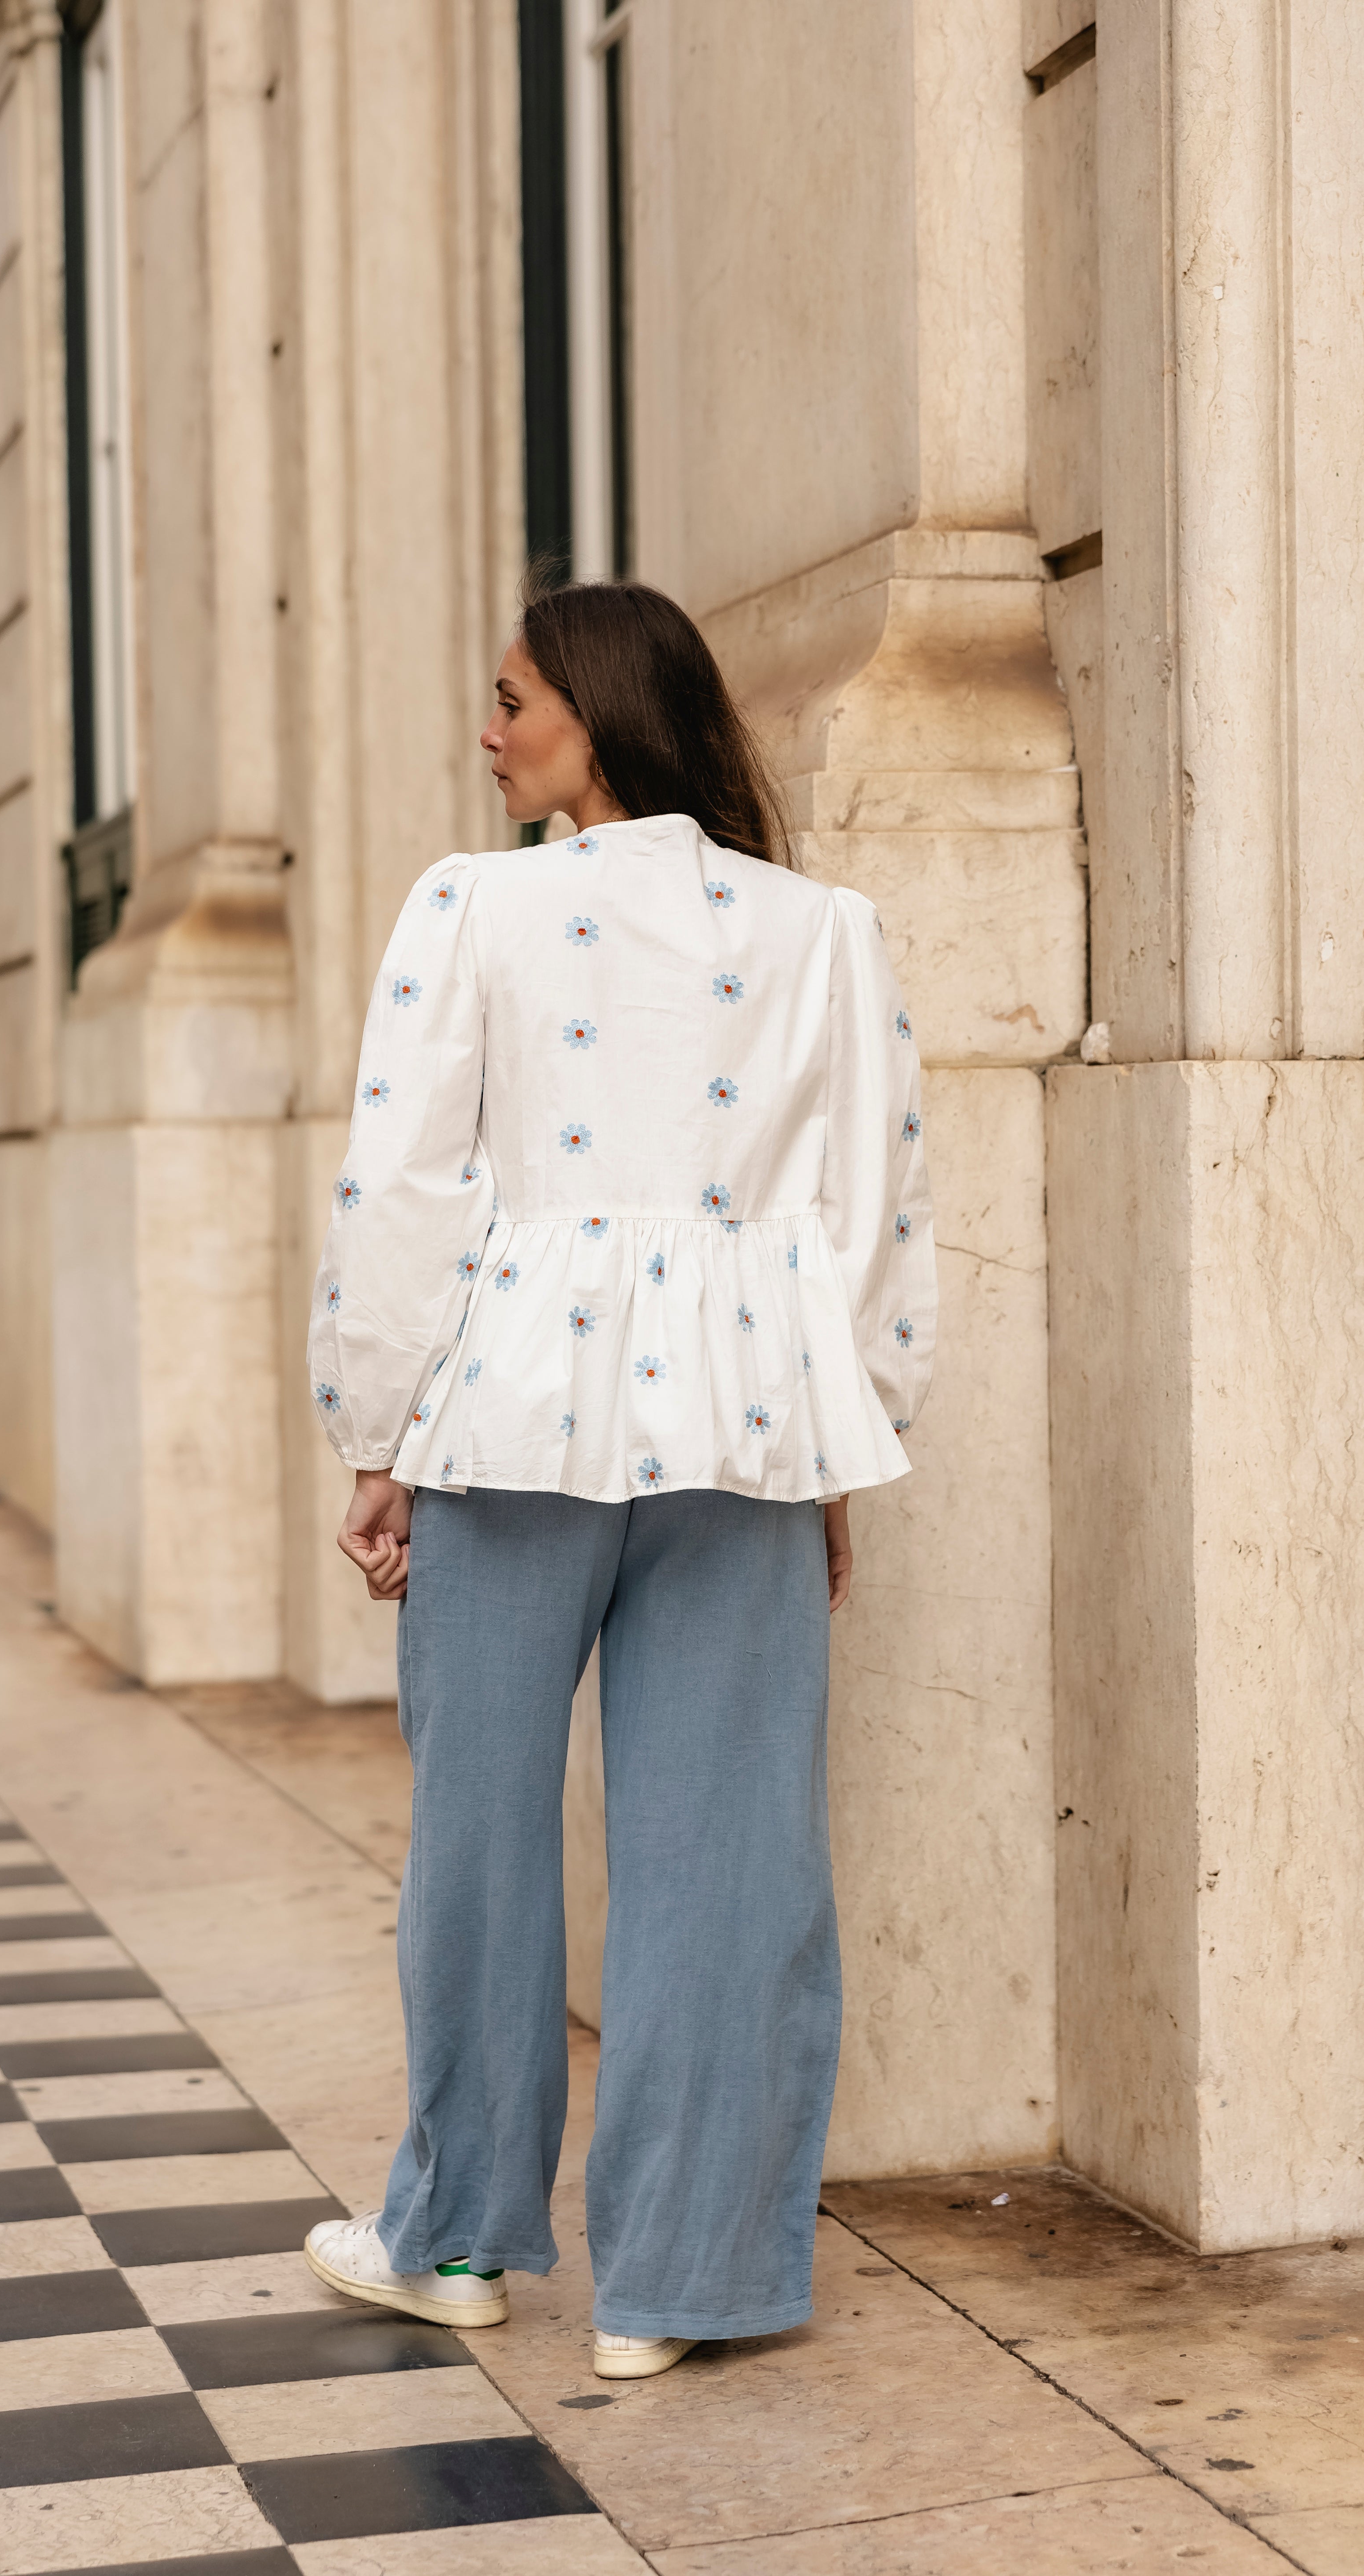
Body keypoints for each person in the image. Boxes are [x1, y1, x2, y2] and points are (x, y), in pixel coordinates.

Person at [302, 572, 934, 2381]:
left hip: (509, 1409)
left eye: (512, 700)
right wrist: (841, 1443)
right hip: (745, 1418)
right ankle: (685, 2285)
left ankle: (455, 2238)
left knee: (480, 1838)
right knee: (728, 1857)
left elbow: (407, 1184)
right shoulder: (824, 929)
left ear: (594, 712)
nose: (488, 732)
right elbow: (870, 1216)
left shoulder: (474, 909)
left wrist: (377, 1431)